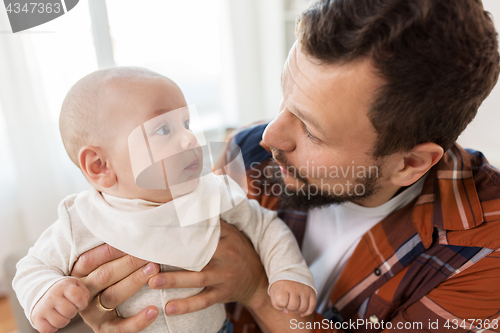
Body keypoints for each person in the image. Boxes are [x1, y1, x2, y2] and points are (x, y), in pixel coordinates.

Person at [67, 0, 500, 332]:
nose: (270, 135)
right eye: (285, 97)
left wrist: (258, 288)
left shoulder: (486, 251)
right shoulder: (250, 152)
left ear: (410, 163)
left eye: (311, 130)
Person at [12, 67, 317, 333]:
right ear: (100, 166)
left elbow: (266, 228)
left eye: (186, 124)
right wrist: (47, 291)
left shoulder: (212, 194)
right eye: (163, 129)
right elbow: (33, 267)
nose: (190, 139)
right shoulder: (80, 220)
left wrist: (287, 274)